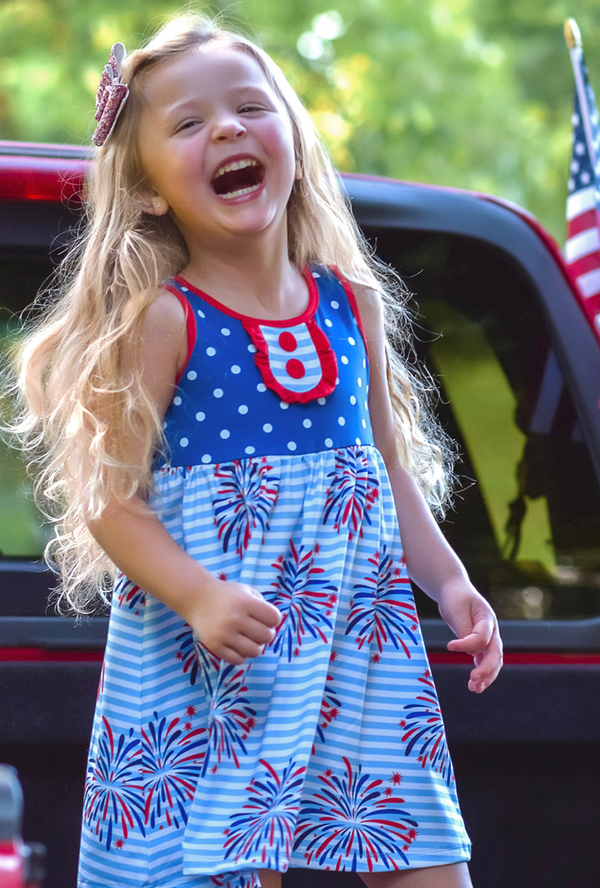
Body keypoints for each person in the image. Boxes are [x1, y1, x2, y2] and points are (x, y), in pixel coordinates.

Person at [12, 12, 502, 888]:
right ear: (150, 191)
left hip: (357, 645)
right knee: (222, 867)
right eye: (189, 123)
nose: (228, 129)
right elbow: (110, 503)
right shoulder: (167, 320)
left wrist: (451, 581)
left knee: (425, 856)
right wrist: (198, 596)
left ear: (295, 142)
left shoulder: (352, 303)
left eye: (249, 107)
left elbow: (385, 473)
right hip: (216, 653)